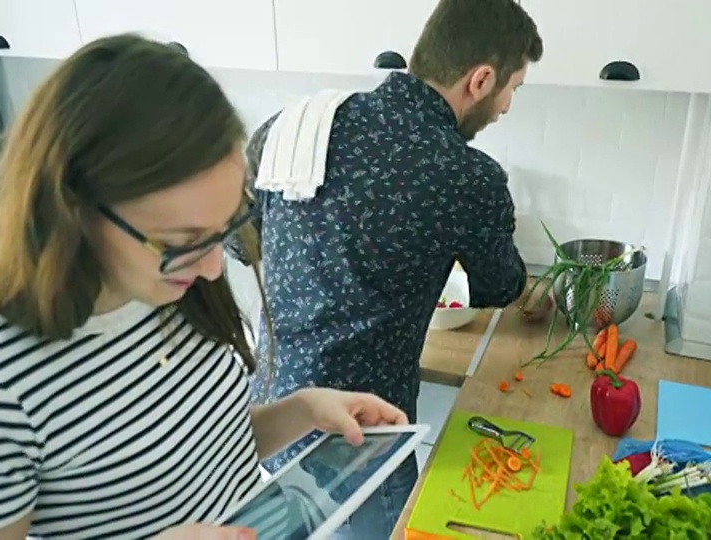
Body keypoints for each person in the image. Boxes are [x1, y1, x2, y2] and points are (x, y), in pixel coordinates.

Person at [0, 34, 407, 540]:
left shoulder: (170, 296)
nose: (210, 270)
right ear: (75, 208)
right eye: (181, 241)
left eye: (225, 229)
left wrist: (304, 410)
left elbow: (203, 456)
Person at [231, 0, 544, 536]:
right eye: (512, 88)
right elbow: (499, 284)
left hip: (266, 418)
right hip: (362, 439)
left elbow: (239, 242)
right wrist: (529, 283)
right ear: (481, 79)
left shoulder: (288, 129)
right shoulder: (467, 175)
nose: (506, 107)